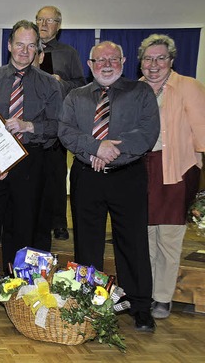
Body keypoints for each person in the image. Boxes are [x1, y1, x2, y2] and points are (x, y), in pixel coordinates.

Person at [58, 41, 159, 332]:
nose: (106, 64)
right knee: (87, 245)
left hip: (128, 176)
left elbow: (148, 132)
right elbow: (66, 131)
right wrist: (95, 147)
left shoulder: (140, 92)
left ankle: (140, 306)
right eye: (100, 59)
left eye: (112, 59)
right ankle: (89, 303)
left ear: (124, 61)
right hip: (87, 176)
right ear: (89, 65)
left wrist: (111, 151)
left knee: (133, 243)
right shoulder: (76, 96)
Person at [0, 20, 61, 268]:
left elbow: (58, 127)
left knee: (24, 229)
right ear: (9, 45)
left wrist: (29, 126)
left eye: (31, 46)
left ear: (37, 50)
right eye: (19, 44)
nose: (24, 50)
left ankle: (19, 287)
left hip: (31, 163)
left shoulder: (50, 84)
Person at [138, 34, 205, 319]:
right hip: (139, 169)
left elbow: (202, 133)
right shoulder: (134, 89)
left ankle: (163, 297)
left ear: (172, 61)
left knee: (169, 235)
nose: (154, 65)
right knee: (143, 235)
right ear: (140, 62)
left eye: (161, 58)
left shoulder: (189, 86)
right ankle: (145, 291)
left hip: (176, 169)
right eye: (148, 59)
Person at [34, 5, 86, 245]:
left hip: (57, 122)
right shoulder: (27, 48)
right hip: (29, 122)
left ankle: (59, 223)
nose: (43, 25)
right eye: (40, 20)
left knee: (55, 174)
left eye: (49, 20)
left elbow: (80, 85)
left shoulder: (68, 53)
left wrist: (60, 82)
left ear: (59, 25)